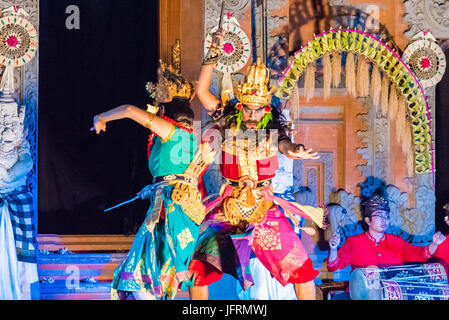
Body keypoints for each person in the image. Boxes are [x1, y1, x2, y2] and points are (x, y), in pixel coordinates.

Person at [187, 31, 325, 300]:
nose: (252, 115)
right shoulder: (228, 121)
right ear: (240, 105)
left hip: (264, 208)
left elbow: (285, 145)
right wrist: (213, 53)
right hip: (228, 208)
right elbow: (201, 91)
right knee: (199, 268)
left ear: (266, 108)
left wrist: (295, 150)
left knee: (302, 269)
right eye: (247, 108)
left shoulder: (273, 129)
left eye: (257, 109)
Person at [91, 61, 213, 300]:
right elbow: (175, 177)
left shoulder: (171, 131)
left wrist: (101, 117)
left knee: (151, 270)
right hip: (170, 206)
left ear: (167, 112)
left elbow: (128, 110)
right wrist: (153, 189)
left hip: (172, 210)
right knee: (150, 270)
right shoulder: (188, 139)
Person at [327, 194, 446, 299]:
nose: (384, 220)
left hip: (393, 295)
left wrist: (434, 243)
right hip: (362, 295)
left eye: (387, 216)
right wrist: (333, 249)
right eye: (379, 216)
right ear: (368, 220)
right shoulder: (354, 242)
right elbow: (333, 266)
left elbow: (421, 254)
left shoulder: (396, 241)